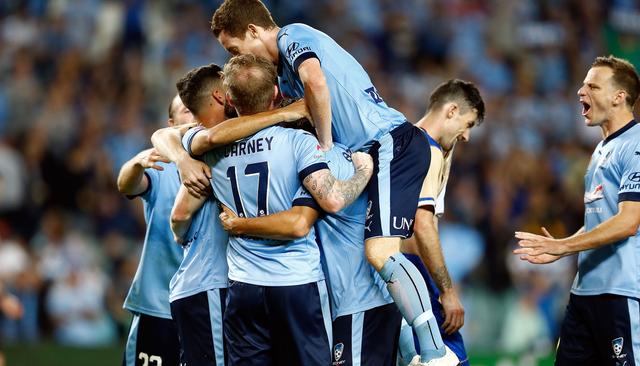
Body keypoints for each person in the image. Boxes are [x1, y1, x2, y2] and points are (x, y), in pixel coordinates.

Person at [210, 2, 453, 364]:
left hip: (390, 142)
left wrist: (322, 146)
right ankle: (412, 353)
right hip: (378, 148)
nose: (237, 55)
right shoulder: (283, 76)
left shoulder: (294, 35)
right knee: (374, 257)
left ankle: (435, 354)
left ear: (252, 30)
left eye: (233, 48)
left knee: (380, 253)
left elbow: (316, 81)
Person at [180, 54, 372, 365]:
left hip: (243, 287)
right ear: (275, 92)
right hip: (296, 283)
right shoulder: (299, 143)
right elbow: (329, 201)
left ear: (229, 97)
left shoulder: (208, 150)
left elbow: (193, 138)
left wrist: (240, 224)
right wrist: (364, 171)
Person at [149, 65, 311, 366]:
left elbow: (163, 135)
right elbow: (180, 213)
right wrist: (186, 162)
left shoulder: (213, 137)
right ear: (222, 96)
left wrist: (183, 161)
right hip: (210, 281)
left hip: (228, 283)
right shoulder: (207, 141)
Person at [514, 55, 640, 365]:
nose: (580, 91)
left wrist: (564, 245)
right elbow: (600, 221)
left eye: (592, 85)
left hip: (623, 292)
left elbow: (628, 222)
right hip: (584, 294)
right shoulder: (601, 150)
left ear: (619, 97)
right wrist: (562, 251)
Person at [398, 79, 485, 366]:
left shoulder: (402, 141)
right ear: (451, 111)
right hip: (411, 269)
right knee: (451, 359)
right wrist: (447, 292)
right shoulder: (428, 151)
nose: (467, 136)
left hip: (384, 272)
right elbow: (420, 226)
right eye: (468, 124)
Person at [117, 95, 194, 366]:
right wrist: (137, 163)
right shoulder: (161, 167)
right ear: (171, 124)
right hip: (159, 305)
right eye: (187, 110)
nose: (195, 115)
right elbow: (127, 185)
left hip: (206, 308)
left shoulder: (227, 163)